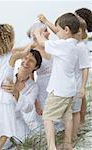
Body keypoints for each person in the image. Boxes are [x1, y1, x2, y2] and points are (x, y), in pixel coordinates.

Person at [33, 13, 80, 150]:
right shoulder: (72, 44)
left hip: (59, 90)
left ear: (66, 30)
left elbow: (42, 42)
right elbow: (59, 34)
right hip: (69, 89)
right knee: (67, 116)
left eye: (58, 30)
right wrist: (46, 21)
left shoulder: (62, 46)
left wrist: (37, 32)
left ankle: (51, 147)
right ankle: (68, 143)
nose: (55, 32)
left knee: (47, 117)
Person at [1, 49, 42, 143]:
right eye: (25, 58)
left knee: (25, 140)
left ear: (36, 67)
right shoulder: (9, 70)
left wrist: (16, 93)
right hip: (0, 112)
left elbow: (28, 108)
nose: (26, 62)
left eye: (31, 61)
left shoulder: (33, 87)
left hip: (15, 118)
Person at [72, 17, 90, 142]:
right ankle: (74, 130)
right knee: (74, 111)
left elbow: (85, 68)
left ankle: (74, 134)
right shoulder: (75, 45)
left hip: (77, 84)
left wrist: (83, 86)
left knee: (75, 111)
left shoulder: (81, 47)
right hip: (73, 84)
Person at [75, 8, 92, 124]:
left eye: (76, 16)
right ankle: (82, 119)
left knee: (82, 95)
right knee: (82, 95)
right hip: (82, 65)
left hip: (83, 66)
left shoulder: (84, 34)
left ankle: (82, 120)